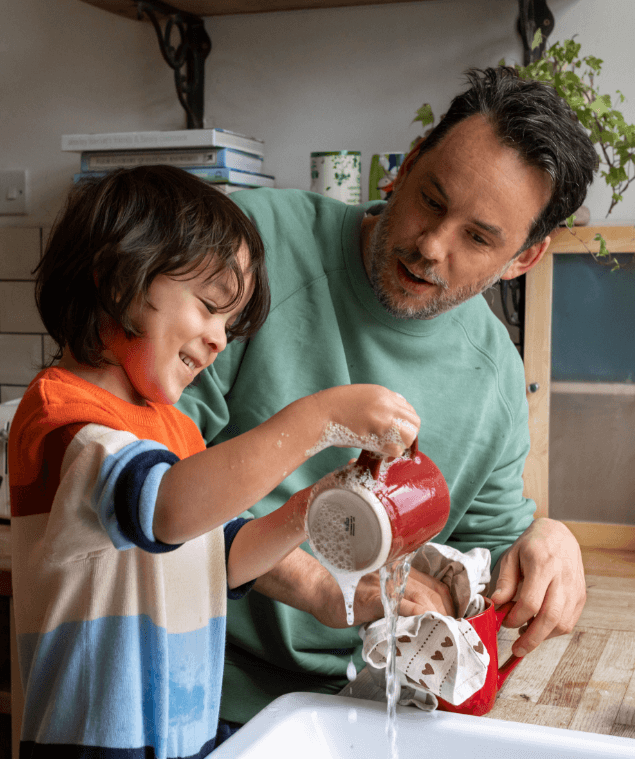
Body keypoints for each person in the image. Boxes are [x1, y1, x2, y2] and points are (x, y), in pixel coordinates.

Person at [177, 66, 598, 726]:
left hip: (367, 704)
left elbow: (490, 556)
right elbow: (142, 477)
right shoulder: (247, 247)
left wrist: (549, 540)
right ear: (403, 169)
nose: (432, 246)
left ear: (524, 258)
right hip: (197, 679)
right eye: (431, 199)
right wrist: (317, 586)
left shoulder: (493, 374)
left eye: (479, 237)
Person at [8, 165, 421, 758]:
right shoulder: (64, 419)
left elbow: (220, 557)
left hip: (183, 734)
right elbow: (169, 510)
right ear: (117, 279)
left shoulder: (172, 429)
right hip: (91, 745)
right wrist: (318, 418)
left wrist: (315, 504)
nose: (221, 337)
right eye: (208, 306)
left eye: (230, 322)